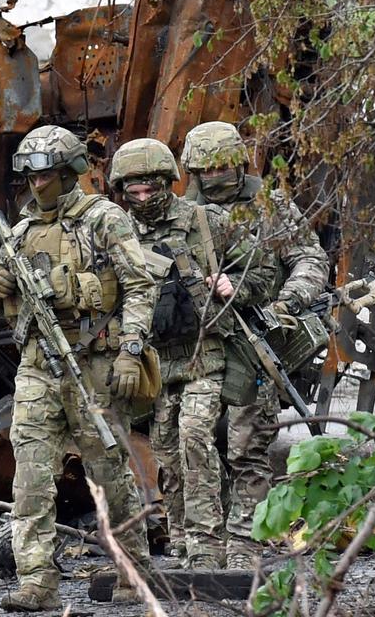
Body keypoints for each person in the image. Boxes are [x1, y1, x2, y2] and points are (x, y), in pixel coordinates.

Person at [0, 125, 157, 612]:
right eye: (31, 177)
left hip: (94, 362)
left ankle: (132, 567)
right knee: (31, 476)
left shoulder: (104, 220)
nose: (37, 185)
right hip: (37, 366)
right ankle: (36, 581)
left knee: (108, 471)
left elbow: (139, 287)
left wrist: (131, 349)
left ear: (70, 172)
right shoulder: (18, 232)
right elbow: (3, 307)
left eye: (47, 175)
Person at [108, 137, 273, 569]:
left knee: (196, 437)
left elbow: (263, 268)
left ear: (168, 183)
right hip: (158, 364)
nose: (143, 200)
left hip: (206, 354)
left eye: (151, 190)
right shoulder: (118, 232)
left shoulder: (205, 221)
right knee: (167, 453)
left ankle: (205, 544)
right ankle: (180, 539)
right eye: (134, 192)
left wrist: (235, 286)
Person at [179, 121, 329, 568]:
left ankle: (247, 546)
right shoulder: (181, 212)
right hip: (200, 342)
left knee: (248, 446)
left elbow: (308, 258)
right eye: (204, 170)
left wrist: (287, 303)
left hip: (256, 336)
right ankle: (200, 547)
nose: (215, 177)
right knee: (192, 442)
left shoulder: (269, 205)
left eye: (223, 167)